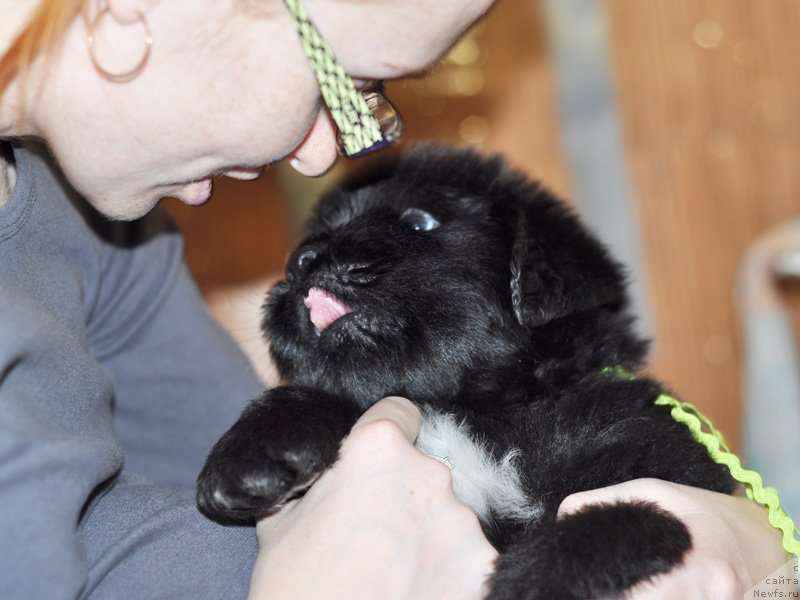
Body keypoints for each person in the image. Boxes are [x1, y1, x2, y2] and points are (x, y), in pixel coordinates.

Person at [0, 1, 790, 598]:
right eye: (342, 80)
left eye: (365, 97)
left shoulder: (102, 239)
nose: (321, 150)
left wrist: (753, 542)